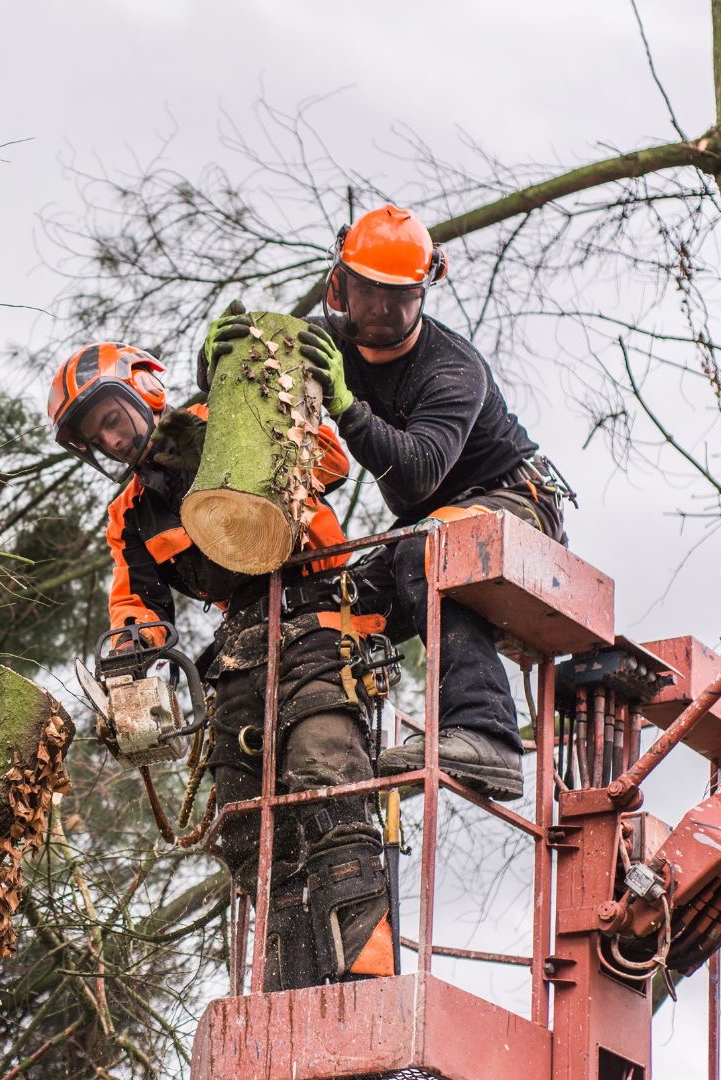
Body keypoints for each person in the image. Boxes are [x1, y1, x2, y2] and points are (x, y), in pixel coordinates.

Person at [48, 340, 395, 990]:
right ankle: (283, 1002)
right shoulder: (131, 514)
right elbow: (138, 604)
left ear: (144, 393)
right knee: (246, 829)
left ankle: (368, 988)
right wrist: (130, 659)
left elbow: (330, 459)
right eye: (100, 435)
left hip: (317, 609)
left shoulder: (223, 417)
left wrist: (246, 439)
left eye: (114, 419)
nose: (114, 439)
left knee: (329, 786)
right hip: (237, 645)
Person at [223, 203, 574, 802]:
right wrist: (228, 362)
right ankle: (328, 760)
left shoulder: (451, 368)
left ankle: (485, 733)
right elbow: (259, 397)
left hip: (515, 501)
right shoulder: (328, 346)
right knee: (324, 603)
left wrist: (346, 406)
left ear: (424, 293)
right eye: (368, 293)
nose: (382, 310)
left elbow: (415, 476)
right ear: (340, 285)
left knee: (427, 549)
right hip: (427, 527)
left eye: (399, 297)